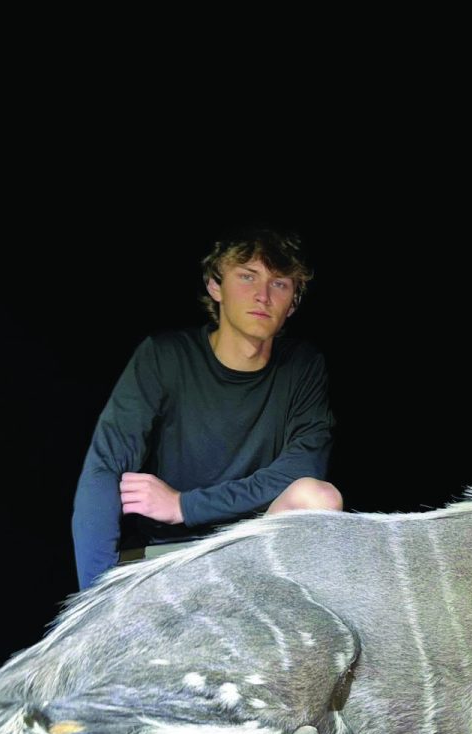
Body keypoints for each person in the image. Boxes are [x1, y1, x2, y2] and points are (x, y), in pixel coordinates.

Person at [71, 226, 340, 590]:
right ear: (216, 287)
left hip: (254, 550)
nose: (262, 295)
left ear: (292, 303)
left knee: (318, 496)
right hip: (170, 554)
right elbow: (104, 468)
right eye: (247, 276)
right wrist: (94, 596)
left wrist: (183, 505)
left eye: (279, 284)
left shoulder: (304, 366)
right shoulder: (164, 356)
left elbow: (303, 468)